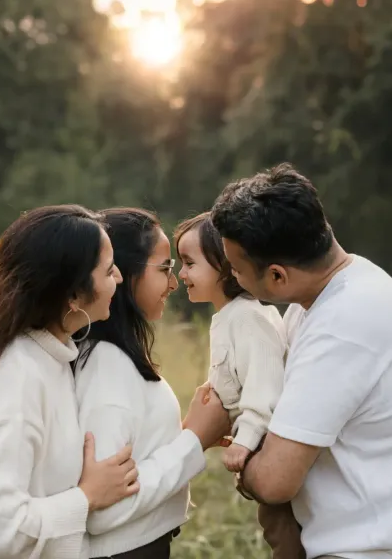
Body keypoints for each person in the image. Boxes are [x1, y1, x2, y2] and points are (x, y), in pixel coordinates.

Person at [211, 162, 392, 559]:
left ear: (277, 276)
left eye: (238, 269)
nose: (234, 279)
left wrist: (243, 454)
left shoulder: (344, 323)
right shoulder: (321, 299)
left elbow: (276, 480)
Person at [0, 205, 140, 559]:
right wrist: (87, 497)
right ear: (74, 296)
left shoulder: (52, 357)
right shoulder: (17, 378)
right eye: (109, 271)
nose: (121, 279)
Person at [75, 207, 230, 559]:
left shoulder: (114, 357)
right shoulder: (106, 367)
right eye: (164, 269)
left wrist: (190, 432)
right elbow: (105, 511)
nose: (174, 283)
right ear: (125, 274)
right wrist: (195, 440)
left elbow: (136, 456)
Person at [174, 212, 305, 559]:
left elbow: (265, 389)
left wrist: (244, 440)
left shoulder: (249, 319)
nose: (181, 273)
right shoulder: (229, 318)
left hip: (271, 450)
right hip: (259, 452)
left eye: (189, 263)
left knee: (287, 536)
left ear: (225, 264)